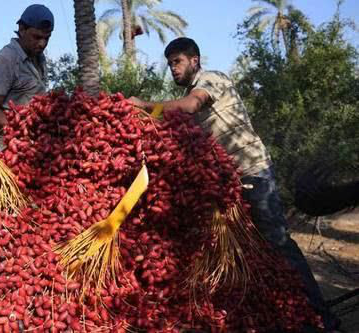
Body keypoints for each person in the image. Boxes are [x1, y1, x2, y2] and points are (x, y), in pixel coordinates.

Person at [130, 37, 340, 332]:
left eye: (177, 62)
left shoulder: (211, 79)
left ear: (195, 60)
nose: (173, 69)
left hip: (252, 174)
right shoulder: (190, 96)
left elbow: (189, 106)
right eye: (169, 64)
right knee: (248, 255)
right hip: (228, 185)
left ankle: (323, 320)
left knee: (278, 245)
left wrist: (145, 106)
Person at [0, 4, 54, 151]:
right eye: (37, 37)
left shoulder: (39, 58)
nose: (42, 43)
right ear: (22, 29)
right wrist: (24, 127)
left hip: (34, 139)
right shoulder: (7, 59)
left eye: (47, 38)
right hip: (6, 142)